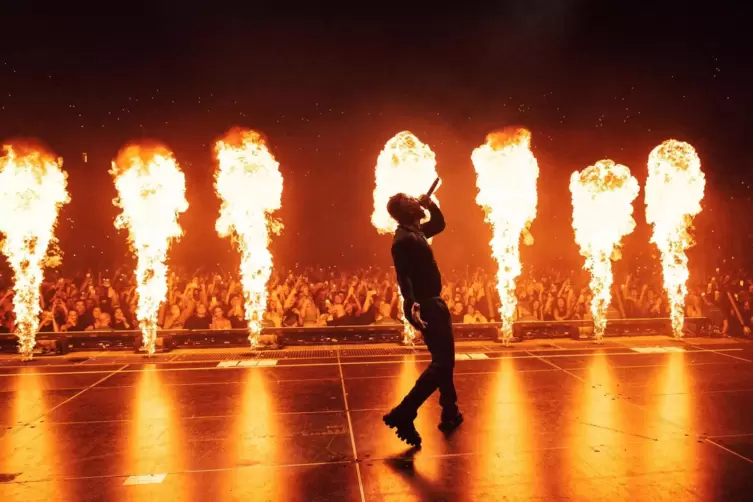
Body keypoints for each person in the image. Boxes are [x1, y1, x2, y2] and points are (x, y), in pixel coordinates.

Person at [381, 192, 463, 448]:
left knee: (444, 360)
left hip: (432, 302)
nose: (414, 200)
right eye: (410, 200)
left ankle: (450, 410)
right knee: (442, 362)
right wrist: (410, 303)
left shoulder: (415, 233)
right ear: (405, 211)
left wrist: (432, 205)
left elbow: (438, 225)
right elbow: (403, 276)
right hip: (428, 305)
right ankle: (405, 412)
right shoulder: (403, 240)